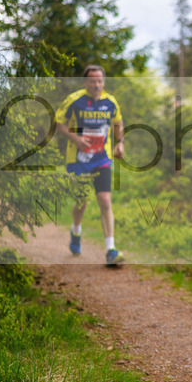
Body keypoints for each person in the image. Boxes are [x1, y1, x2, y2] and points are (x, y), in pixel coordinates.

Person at [55, 64, 125, 266]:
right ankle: (76, 230)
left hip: (102, 158)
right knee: (82, 201)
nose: (96, 85)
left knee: (105, 200)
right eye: (92, 81)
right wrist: (75, 138)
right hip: (77, 159)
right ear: (85, 82)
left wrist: (120, 143)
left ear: (104, 82)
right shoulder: (74, 100)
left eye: (100, 81)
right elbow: (59, 124)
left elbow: (118, 123)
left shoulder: (110, 102)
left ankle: (111, 250)